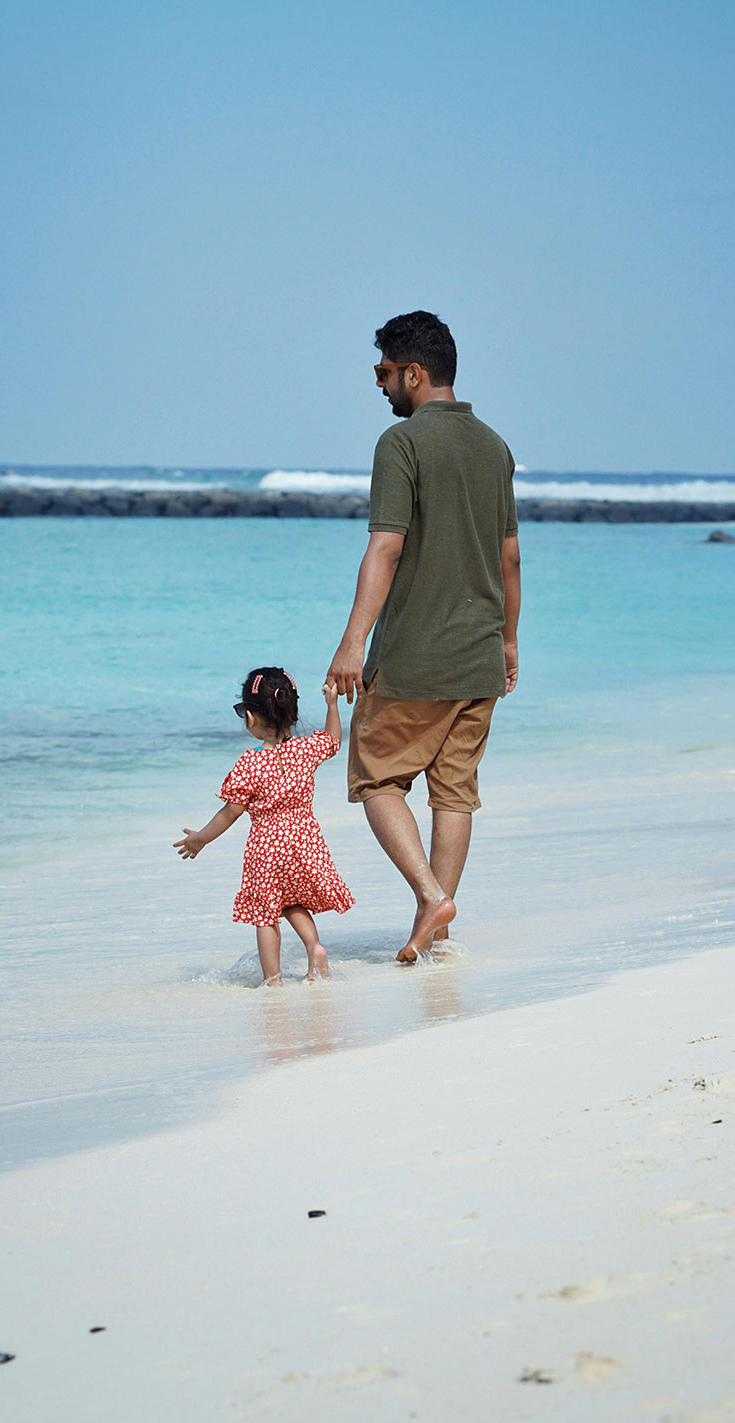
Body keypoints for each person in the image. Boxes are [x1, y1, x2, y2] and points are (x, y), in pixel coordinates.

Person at [326, 310, 521, 964]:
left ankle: (429, 895)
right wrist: (511, 640)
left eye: (384, 372)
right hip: (480, 658)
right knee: (454, 790)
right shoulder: (494, 447)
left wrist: (354, 643)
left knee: (375, 778)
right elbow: (510, 556)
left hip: (414, 660)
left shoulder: (401, 445)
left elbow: (385, 547)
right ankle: (436, 924)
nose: (379, 385)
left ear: (414, 371)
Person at [173, 668, 353, 986]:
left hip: (268, 848)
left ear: (253, 717)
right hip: (305, 840)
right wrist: (332, 706)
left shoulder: (249, 764)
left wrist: (201, 838)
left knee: (266, 913)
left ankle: (273, 980)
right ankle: (315, 948)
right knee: (294, 900)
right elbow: (334, 742)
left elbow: (230, 813)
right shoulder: (306, 750)